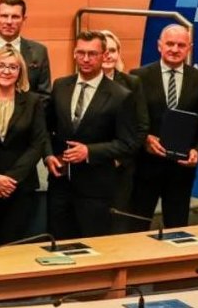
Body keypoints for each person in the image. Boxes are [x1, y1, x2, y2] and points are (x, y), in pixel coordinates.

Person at [44, 32, 139, 239]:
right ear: (74, 54)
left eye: (92, 54)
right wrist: (49, 155)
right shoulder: (60, 86)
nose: (86, 59)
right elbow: (47, 129)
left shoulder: (121, 95)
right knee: (57, 245)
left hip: (96, 190)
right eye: (81, 53)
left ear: (103, 56)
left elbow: (128, 144)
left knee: (93, 247)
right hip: (60, 185)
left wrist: (89, 151)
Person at [129, 25, 198, 228]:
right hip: (145, 168)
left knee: (177, 229)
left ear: (189, 48)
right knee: (136, 229)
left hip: (181, 171)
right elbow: (129, 119)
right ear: (159, 45)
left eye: (181, 45)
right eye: (170, 44)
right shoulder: (138, 76)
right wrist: (145, 139)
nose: (175, 49)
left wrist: (197, 150)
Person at [0, 46, 48, 245]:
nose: (6, 71)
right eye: (0, 65)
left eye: (13, 67)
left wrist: (10, 179)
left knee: (15, 248)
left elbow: (38, 143)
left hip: (21, 187)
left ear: (20, 72)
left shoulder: (33, 101)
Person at [100, 29, 149, 227]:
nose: (108, 55)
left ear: (119, 53)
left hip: (122, 167)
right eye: (103, 50)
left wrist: (121, 159)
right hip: (90, 167)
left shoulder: (132, 83)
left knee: (117, 225)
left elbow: (141, 126)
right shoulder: (77, 83)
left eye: (112, 50)